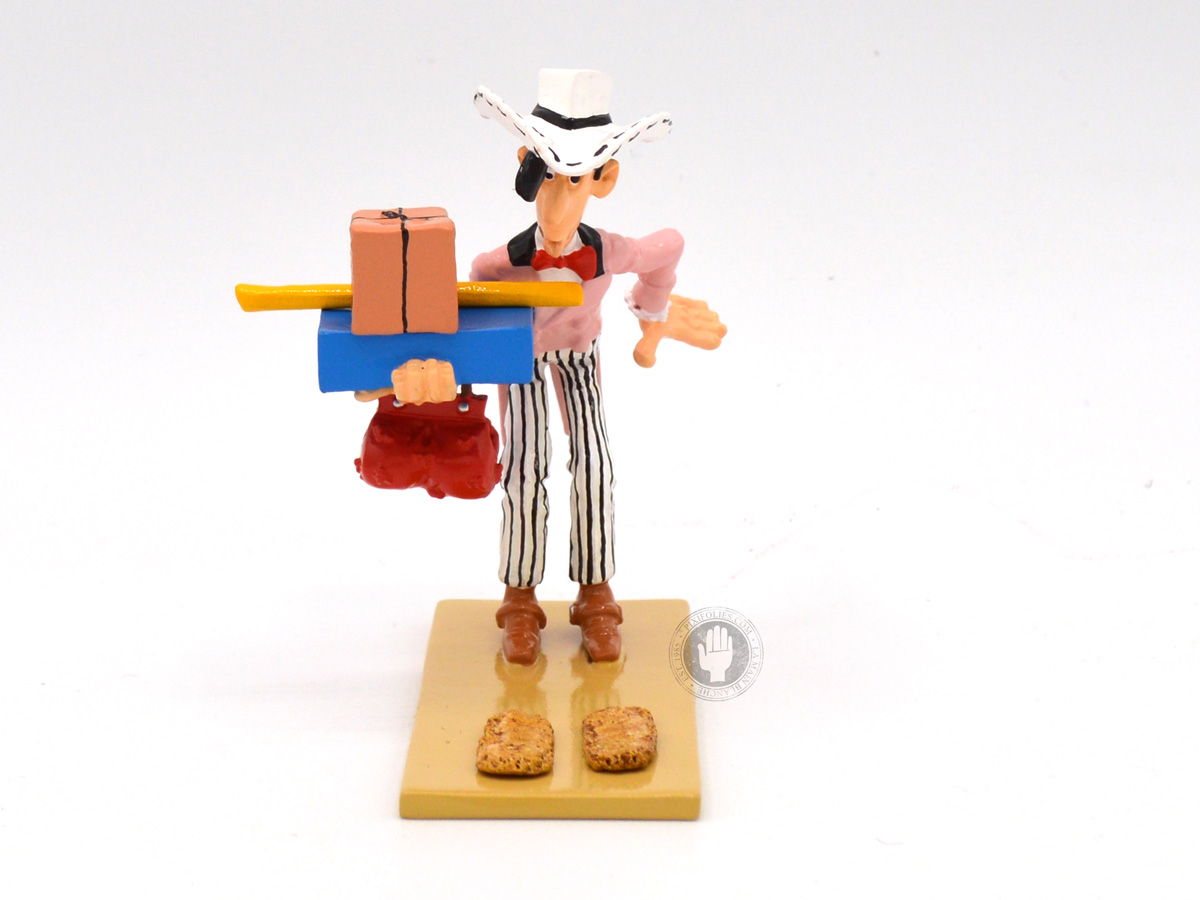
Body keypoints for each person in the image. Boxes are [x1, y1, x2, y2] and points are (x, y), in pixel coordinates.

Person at [395, 69, 725, 664]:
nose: (558, 199)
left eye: (574, 178)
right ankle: (519, 599)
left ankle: (596, 594)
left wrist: (652, 310)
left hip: (579, 353)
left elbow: (669, 246)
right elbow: (470, 320)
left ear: (604, 179)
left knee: (595, 462)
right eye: (547, 175)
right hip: (519, 358)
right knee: (525, 465)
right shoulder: (496, 265)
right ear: (526, 166)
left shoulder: (610, 250)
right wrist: (442, 372)